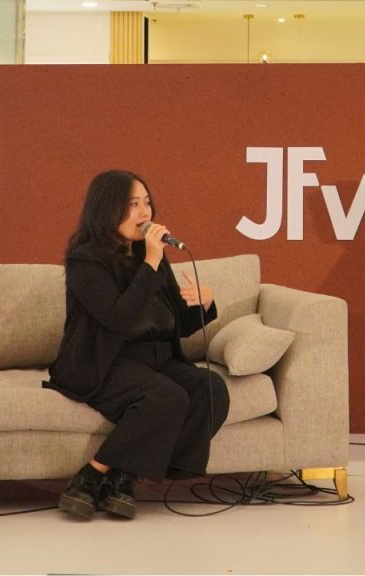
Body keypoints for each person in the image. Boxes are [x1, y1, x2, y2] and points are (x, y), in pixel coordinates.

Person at [46, 170, 230, 520]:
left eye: (147, 203)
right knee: (167, 397)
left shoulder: (152, 256)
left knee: (211, 388)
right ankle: (91, 475)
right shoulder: (86, 259)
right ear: (107, 209)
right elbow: (118, 318)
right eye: (133, 204)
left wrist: (205, 303)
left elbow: (182, 325)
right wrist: (150, 263)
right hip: (106, 362)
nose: (145, 212)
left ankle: (125, 475)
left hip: (157, 359)